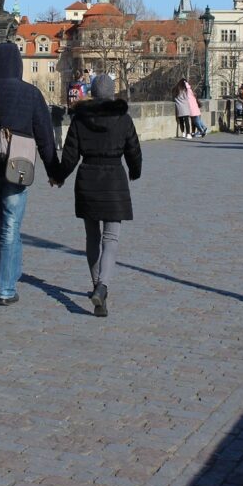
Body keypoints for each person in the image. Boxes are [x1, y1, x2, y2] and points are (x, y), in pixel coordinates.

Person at [0, 42, 61, 305]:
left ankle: (0, 278)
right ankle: (5, 288)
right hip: (19, 168)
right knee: (10, 226)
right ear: (18, 65)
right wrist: (54, 172)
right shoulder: (32, 94)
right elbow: (45, 139)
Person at [55, 74, 142, 318]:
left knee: (92, 237)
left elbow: (70, 156)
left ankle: (96, 286)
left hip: (88, 179)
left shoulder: (81, 119)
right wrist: (135, 171)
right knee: (111, 238)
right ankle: (103, 286)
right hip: (114, 178)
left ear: (92, 93)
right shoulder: (123, 119)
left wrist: (59, 176)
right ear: (113, 93)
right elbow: (134, 150)